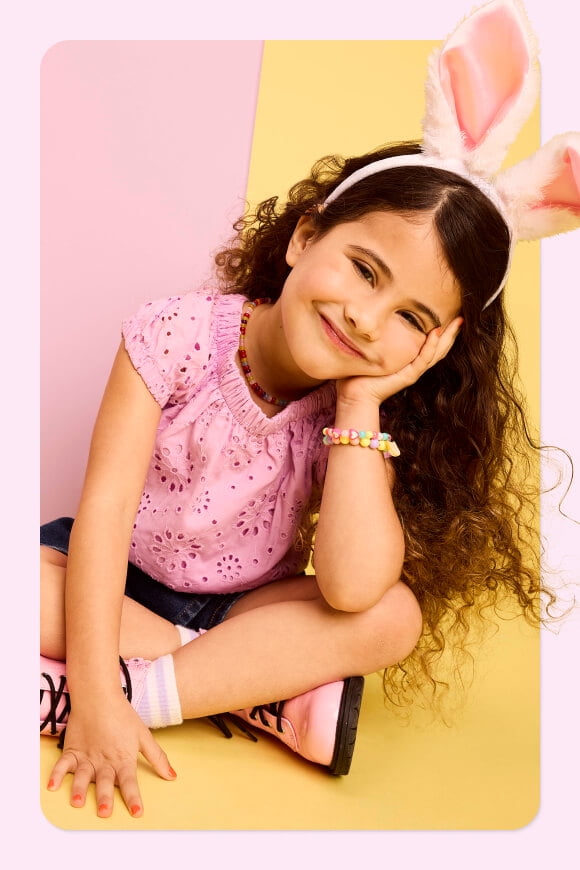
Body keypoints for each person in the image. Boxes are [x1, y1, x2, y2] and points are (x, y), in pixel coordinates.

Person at [39, 0, 580, 819]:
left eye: (411, 318)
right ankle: (243, 684)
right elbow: (106, 513)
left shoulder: (356, 416)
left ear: (435, 347)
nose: (368, 318)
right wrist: (106, 687)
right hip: (105, 570)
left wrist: (362, 399)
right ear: (304, 237)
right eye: (365, 270)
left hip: (240, 603)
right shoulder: (175, 334)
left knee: (392, 616)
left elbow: (356, 587)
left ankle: (129, 690)